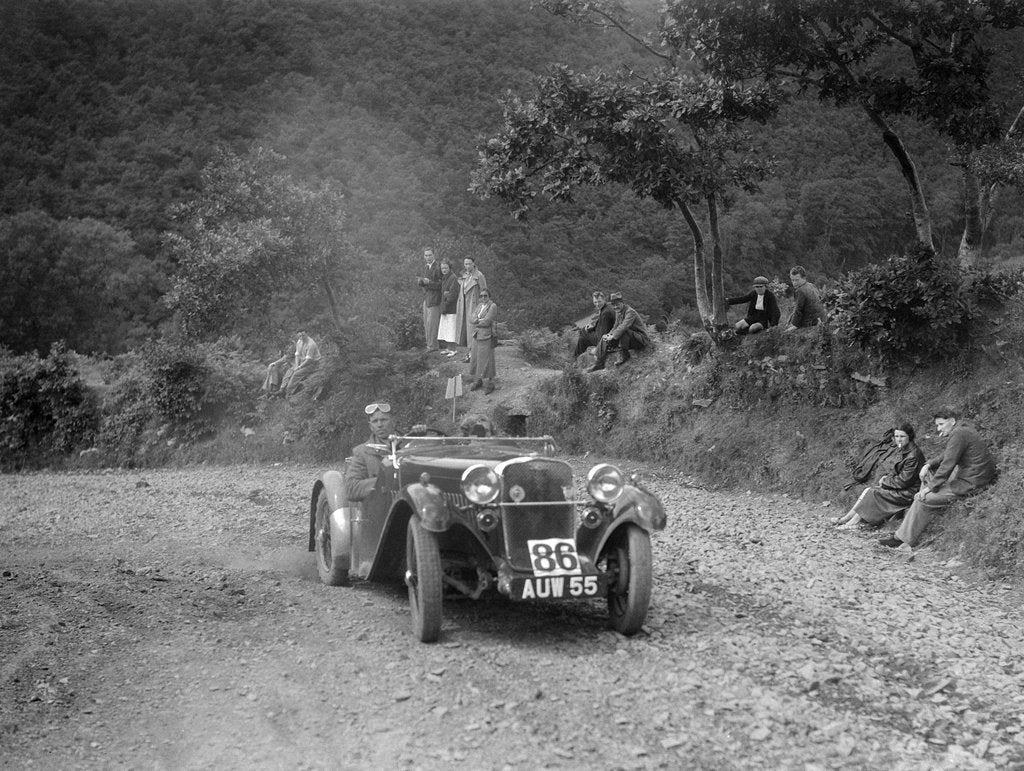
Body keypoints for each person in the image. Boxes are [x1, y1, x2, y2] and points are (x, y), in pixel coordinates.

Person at [879, 406, 997, 549]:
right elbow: (947, 455)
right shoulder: (962, 429)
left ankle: (902, 538)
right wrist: (928, 465)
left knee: (923, 499)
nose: (939, 429)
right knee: (928, 474)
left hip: (972, 481)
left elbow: (948, 464)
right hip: (974, 475)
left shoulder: (958, 434)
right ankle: (914, 512)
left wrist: (929, 488)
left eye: (941, 424)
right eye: (937, 425)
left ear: (952, 421)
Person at [833, 423, 925, 530]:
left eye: (902, 436)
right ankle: (846, 518)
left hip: (909, 492)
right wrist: (887, 478)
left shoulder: (913, 455)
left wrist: (886, 481)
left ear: (910, 436)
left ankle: (852, 523)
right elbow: (898, 473)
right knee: (868, 490)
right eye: (897, 436)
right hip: (904, 488)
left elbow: (904, 481)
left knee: (873, 493)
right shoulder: (906, 449)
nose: (899, 440)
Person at [345, 403, 427, 502]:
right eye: (375, 421)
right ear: (371, 427)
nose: (379, 425)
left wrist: (421, 438)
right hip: (380, 509)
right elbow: (351, 488)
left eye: (384, 420)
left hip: (416, 503)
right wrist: (385, 481)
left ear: (393, 422)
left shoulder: (411, 444)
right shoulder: (362, 452)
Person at [588, 292, 650, 372]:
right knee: (605, 337)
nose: (615, 307)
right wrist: (609, 335)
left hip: (640, 339)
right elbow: (615, 326)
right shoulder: (619, 312)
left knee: (623, 330)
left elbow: (624, 326)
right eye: (613, 305)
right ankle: (599, 362)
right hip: (629, 339)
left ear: (622, 303)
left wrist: (613, 336)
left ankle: (624, 355)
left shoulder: (630, 312)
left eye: (617, 304)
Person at [455, 257, 487, 363]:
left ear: (474, 264)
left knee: (473, 330)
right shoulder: (465, 276)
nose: (467, 266)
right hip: (464, 306)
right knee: (466, 331)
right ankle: (470, 353)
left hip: (474, 307)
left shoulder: (479, 276)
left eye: (469, 264)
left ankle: (474, 355)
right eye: (465, 264)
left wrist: (482, 308)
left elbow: (484, 292)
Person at [468, 289, 498, 394]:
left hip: (487, 335)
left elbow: (487, 321)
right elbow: (471, 318)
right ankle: (478, 380)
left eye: (485, 296)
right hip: (477, 335)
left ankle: (490, 383)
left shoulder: (492, 306)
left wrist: (477, 321)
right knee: (475, 358)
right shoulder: (479, 306)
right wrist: (478, 320)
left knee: (487, 359)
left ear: (489, 296)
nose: (483, 298)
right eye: (481, 296)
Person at [574, 291, 617, 358]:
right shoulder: (606, 308)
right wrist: (592, 328)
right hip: (607, 336)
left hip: (606, 340)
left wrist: (598, 348)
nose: (597, 304)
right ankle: (577, 357)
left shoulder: (605, 313)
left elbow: (602, 334)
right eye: (595, 302)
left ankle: (576, 358)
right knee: (582, 339)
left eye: (599, 301)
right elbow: (601, 324)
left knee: (583, 331)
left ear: (604, 300)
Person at [417, 247, 443, 352]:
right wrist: (421, 282)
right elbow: (426, 284)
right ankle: (429, 345)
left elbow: (441, 284)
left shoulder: (438, 267)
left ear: (434, 255)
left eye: (429, 255)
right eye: (426, 255)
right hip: (427, 297)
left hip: (435, 299)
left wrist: (429, 283)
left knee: (433, 323)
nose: (428, 257)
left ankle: (433, 346)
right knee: (426, 323)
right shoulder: (426, 267)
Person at [284, 331, 322, 398]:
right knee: (290, 370)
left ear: (307, 334)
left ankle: (289, 392)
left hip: (313, 364)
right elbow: (297, 355)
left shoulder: (311, 344)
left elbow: (308, 360)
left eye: (303, 335)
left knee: (296, 374)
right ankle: (282, 388)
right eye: (300, 336)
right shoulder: (299, 341)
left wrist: (299, 367)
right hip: (303, 361)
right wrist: (296, 365)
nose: (301, 337)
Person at [786, 266, 825, 331]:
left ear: (804, 278)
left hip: (809, 323)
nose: (794, 283)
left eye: (797, 280)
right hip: (820, 319)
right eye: (792, 280)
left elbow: (798, 309)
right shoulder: (811, 285)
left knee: (787, 331)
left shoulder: (800, 290)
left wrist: (794, 326)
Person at [437, 258, 460, 358]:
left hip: (451, 307)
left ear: (449, 268)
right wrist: (445, 296)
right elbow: (445, 293)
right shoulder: (445, 278)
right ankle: (448, 348)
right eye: (442, 268)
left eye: (446, 268)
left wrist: (446, 298)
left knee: (451, 329)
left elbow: (452, 294)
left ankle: (453, 349)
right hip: (445, 306)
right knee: (446, 328)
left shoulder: (453, 278)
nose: (444, 270)